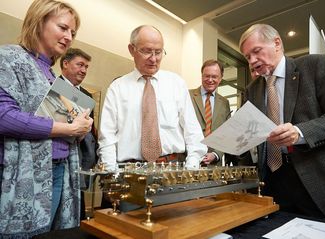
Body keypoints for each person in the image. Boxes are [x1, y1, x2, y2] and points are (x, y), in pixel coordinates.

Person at [239, 23, 325, 223]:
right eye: (247, 57)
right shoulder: (252, 90)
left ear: (277, 43)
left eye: (256, 51)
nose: (252, 61)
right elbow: (249, 134)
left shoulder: (317, 65)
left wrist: (300, 132)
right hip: (276, 182)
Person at [0, 0, 93, 237]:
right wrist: (67, 129)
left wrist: (81, 127)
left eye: (73, 32)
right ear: (39, 21)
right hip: (26, 173)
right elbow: (4, 117)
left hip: (60, 168)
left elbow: (63, 125)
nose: (69, 37)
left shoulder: (51, 75)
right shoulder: (8, 57)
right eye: (63, 28)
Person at [98, 25, 207, 171]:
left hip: (172, 168)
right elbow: (107, 136)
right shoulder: (117, 88)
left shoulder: (176, 83)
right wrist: (111, 172)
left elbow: (192, 130)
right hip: (129, 171)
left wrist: (192, 165)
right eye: (147, 51)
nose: (154, 59)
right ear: (132, 50)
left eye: (159, 52)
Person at [59, 48, 98, 220]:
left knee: (78, 204)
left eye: (86, 67)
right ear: (65, 64)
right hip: (59, 153)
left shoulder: (87, 96)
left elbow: (92, 128)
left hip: (82, 156)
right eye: (80, 65)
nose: (84, 70)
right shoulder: (52, 85)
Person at [189, 59, 230, 165]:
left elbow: (227, 133)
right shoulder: (187, 96)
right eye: (207, 76)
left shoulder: (225, 103)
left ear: (220, 78)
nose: (210, 80)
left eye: (214, 76)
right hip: (188, 160)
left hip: (214, 165)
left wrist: (216, 154)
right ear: (202, 76)